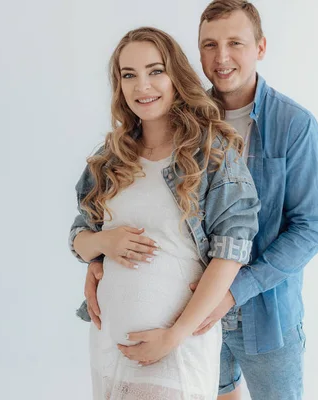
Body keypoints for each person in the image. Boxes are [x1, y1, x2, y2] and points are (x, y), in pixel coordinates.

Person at [68, 27, 260, 400]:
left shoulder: (211, 153)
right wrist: (103, 242)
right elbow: (79, 238)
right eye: (129, 75)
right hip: (109, 350)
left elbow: (231, 252)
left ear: (175, 76)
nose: (143, 86)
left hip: (176, 352)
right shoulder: (110, 159)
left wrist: (174, 336)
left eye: (155, 71)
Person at [193, 2, 318, 399]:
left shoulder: (295, 125)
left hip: (268, 315)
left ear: (261, 47)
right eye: (209, 45)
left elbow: (311, 227)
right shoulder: (187, 121)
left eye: (235, 42)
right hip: (195, 310)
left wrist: (236, 291)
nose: (221, 58)